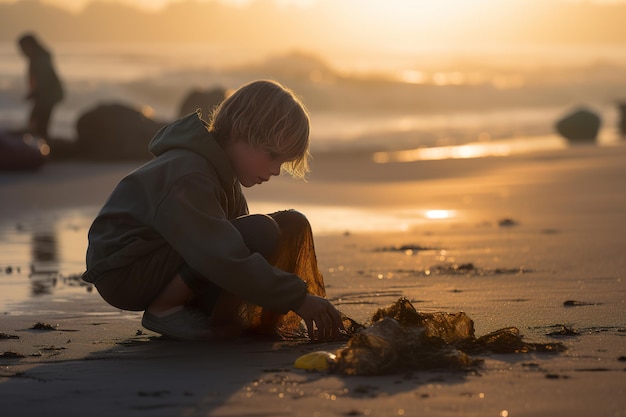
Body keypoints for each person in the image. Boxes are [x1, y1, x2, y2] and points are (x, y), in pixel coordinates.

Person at [82, 79, 345, 342]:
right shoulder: (190, 173)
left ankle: (219, 312)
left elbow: (237, 249)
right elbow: (223, 255)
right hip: (126, 270)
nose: (276, 170)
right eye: (272, 155)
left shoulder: (224, 174)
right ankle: (165, 308)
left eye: (283, 162)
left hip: (168, 257)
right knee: (257, 231)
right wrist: (297, 299)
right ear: (242, 131)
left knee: (290, 224)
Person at [17, 32, 64, 140]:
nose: (22, 52)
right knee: (39, 122)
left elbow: (44, 80)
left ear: (30, 46)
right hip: (45, 96)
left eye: (23, 48)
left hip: (48, 96)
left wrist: (34, 92)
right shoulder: (37, 58)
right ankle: (41, 146)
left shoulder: (41, 59)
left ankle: (40, 148)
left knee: (38, 122)